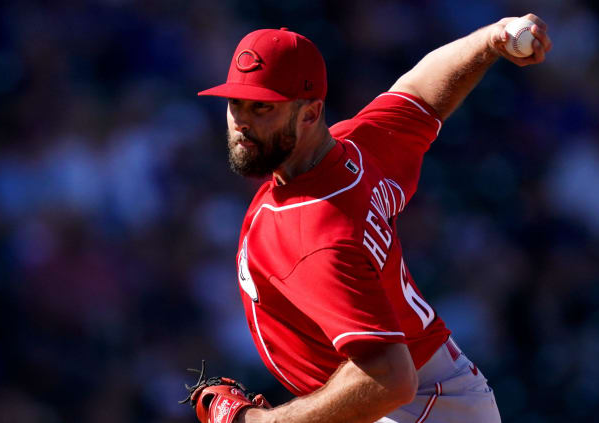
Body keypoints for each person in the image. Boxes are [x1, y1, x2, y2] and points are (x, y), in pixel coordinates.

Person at [196, 14, 552, 423]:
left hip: (412, 407)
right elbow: (420, 92)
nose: (242, 122)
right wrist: (490, 41)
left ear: (310, 114)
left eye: (263, 108)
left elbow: (388, 378)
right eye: (235, 103)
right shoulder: (358, 148)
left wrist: (262, 422)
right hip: (427, 395)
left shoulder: (316, 232)